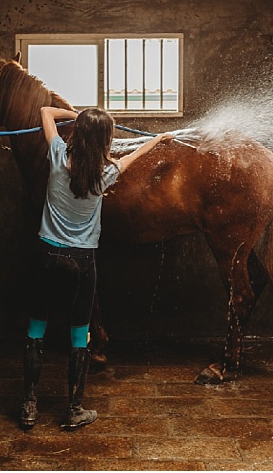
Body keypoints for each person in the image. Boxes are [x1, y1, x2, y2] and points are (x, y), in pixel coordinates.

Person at [21, 106, 172, 431]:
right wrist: (159, 139)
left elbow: (46, 111)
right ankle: (73, 409)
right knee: (79, 335)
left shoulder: (58, 153)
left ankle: (29, 408)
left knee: (36, 329)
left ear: (77, 131)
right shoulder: (109, 171)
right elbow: (137, 154)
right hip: (82, 262)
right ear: (106, 140)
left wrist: (75, 112)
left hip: (46, 254)